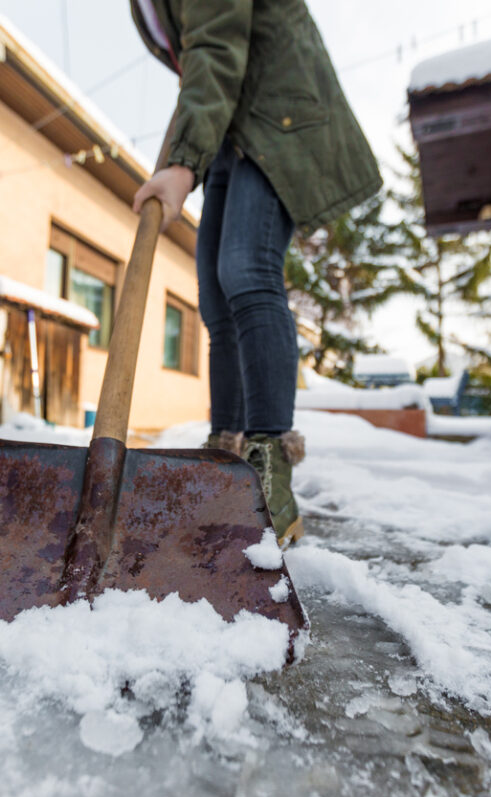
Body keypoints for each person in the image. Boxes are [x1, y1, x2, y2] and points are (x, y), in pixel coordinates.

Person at [130, 0, 381, 547]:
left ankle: (271, 470)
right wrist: (187, 149)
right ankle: (227, 453)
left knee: (247, 269)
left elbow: (216, 46)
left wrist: (180, 164)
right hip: (230, 128)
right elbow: (195, 60)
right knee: (217, 299)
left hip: (278, 115)